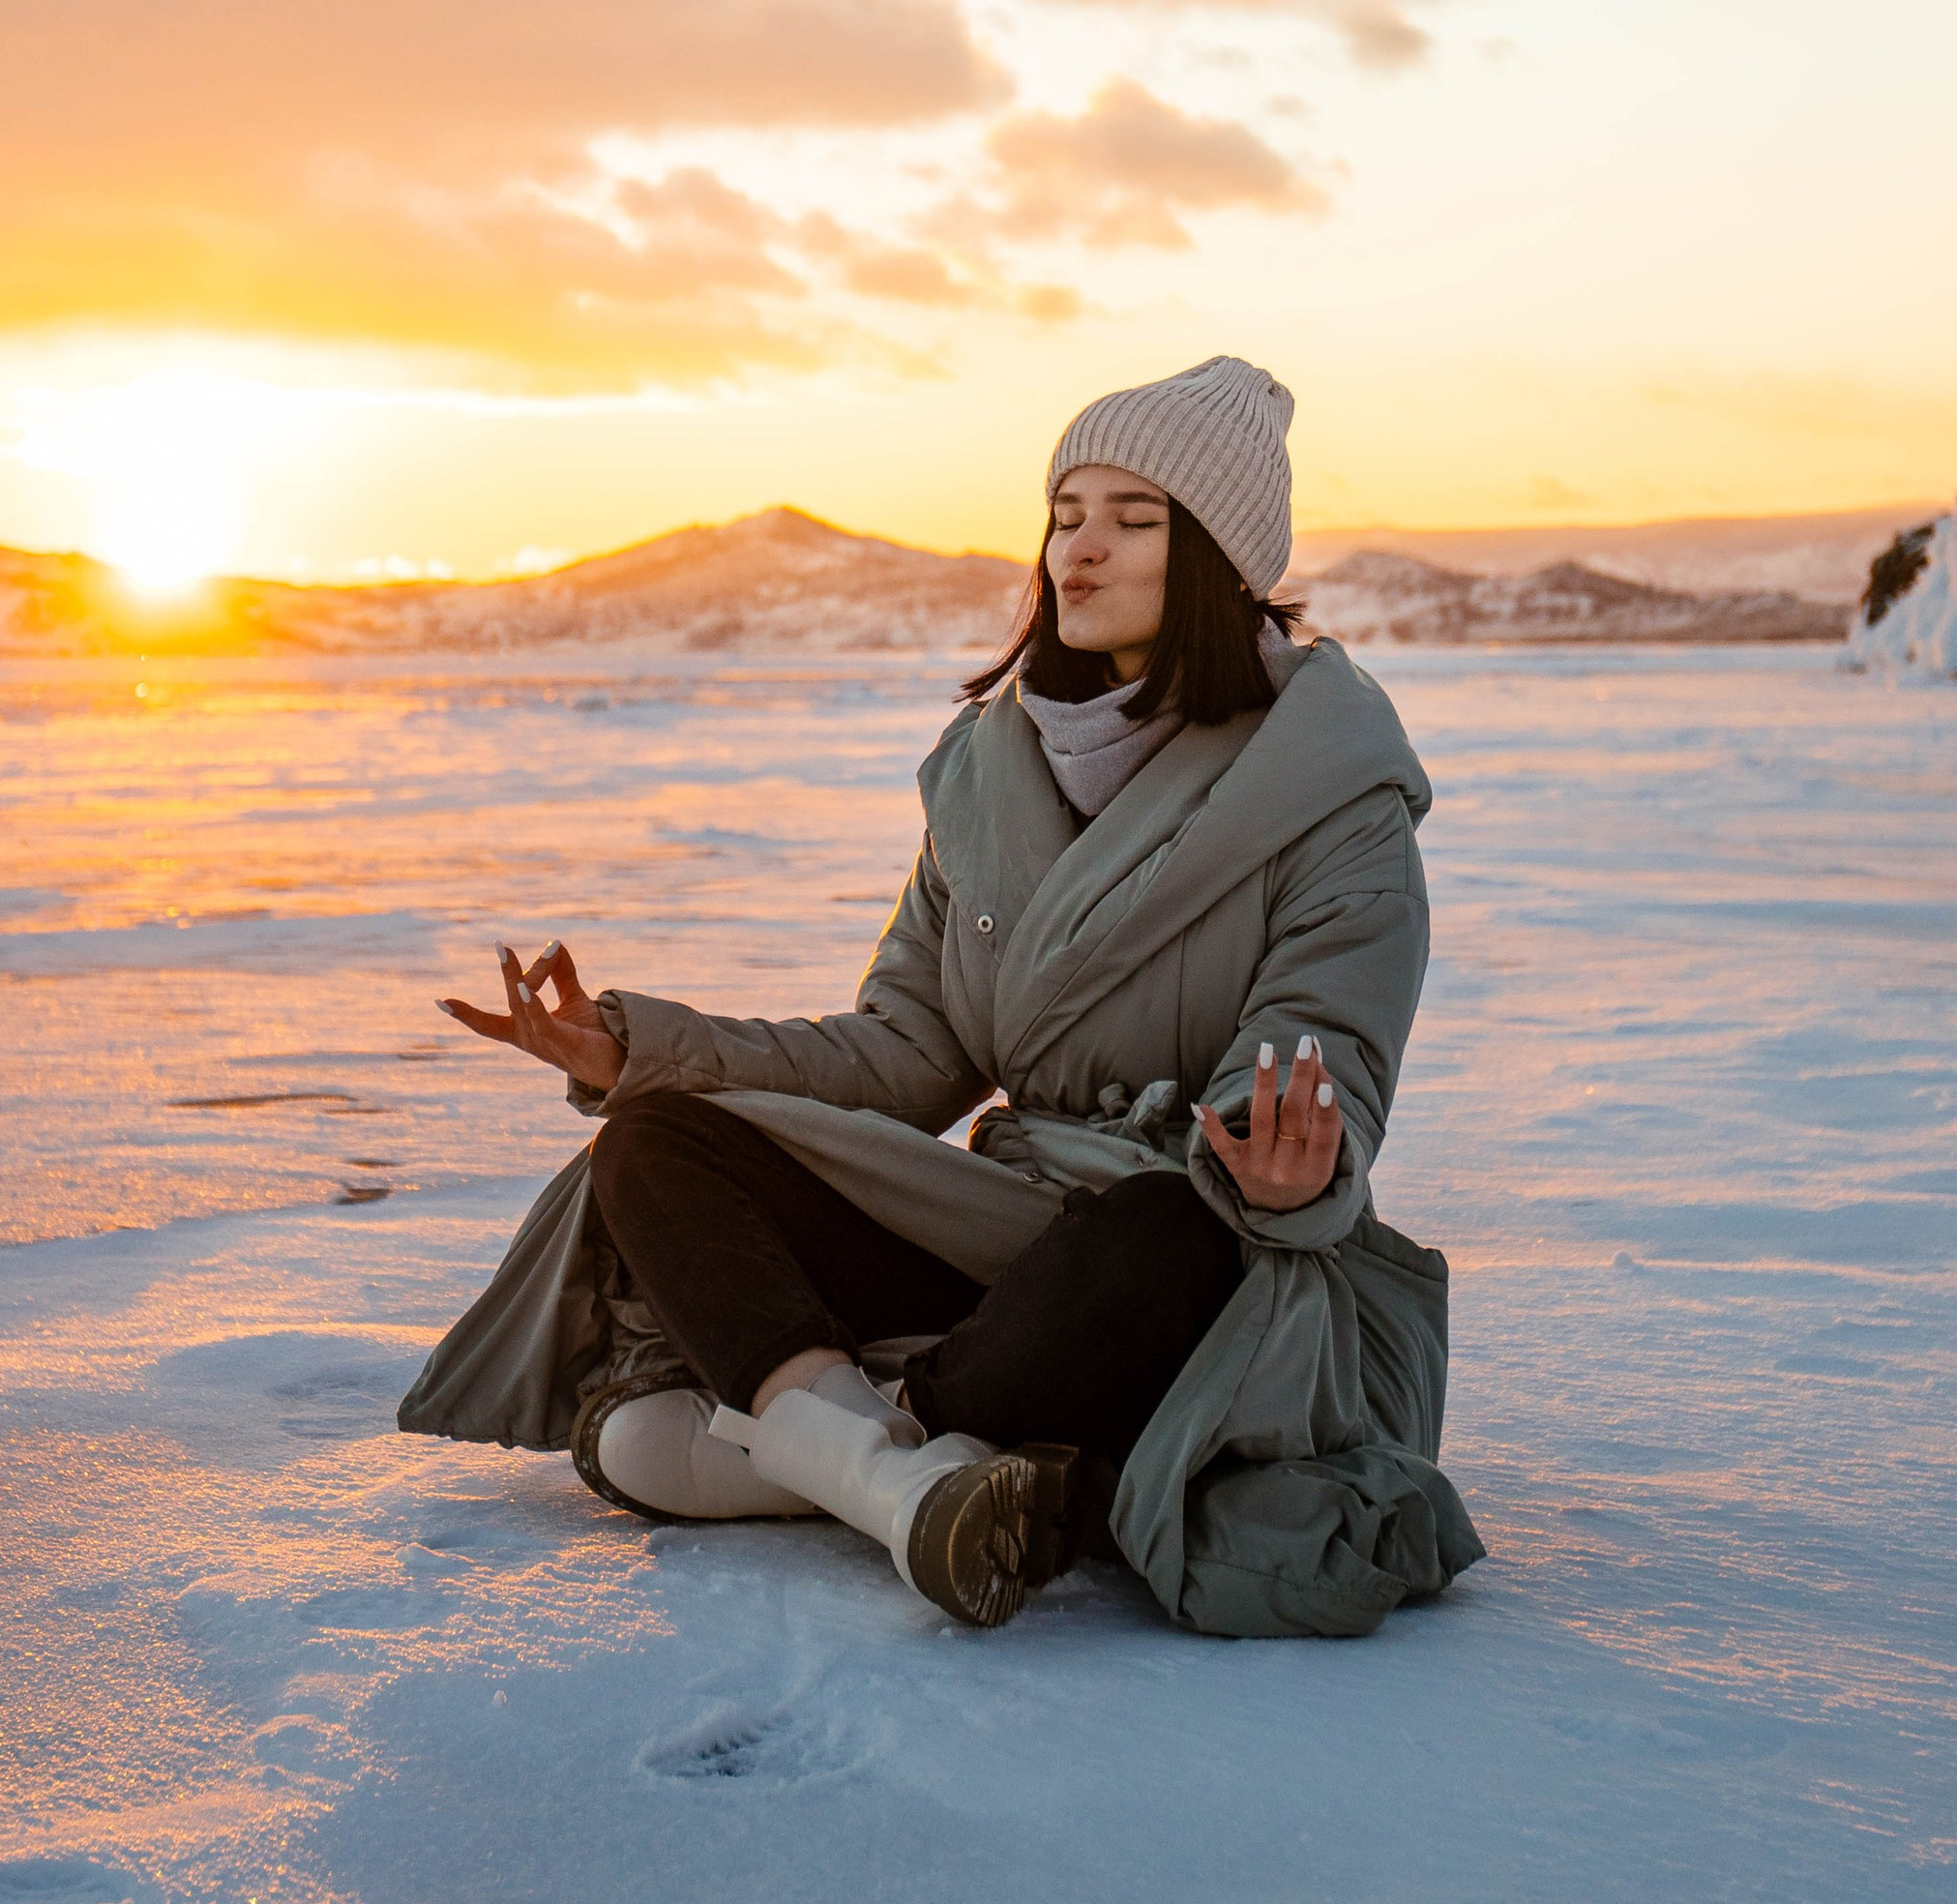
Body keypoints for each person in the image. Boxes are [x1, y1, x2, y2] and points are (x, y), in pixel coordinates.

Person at [398, 357, 1482, 1640]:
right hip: (1006, 1221)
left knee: (1156, 1237)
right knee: (657, 1138)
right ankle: (905, 1479)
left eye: (1132, 520)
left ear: (1216, 561)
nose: (1078, 553)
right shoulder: (988, 773)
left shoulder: (1328, 793)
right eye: (1065, 513)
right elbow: (907, 1049)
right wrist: (639, 1043)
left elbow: (1322, 1046)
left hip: (1189, 1240)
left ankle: (812, 1445)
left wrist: (1287, 1167)